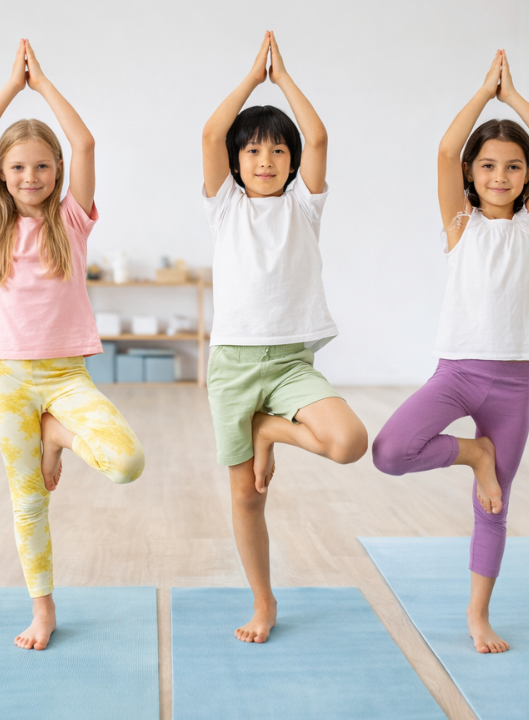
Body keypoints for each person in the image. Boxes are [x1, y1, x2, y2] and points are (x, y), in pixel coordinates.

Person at [371, 50, 529, 653]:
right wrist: (485, 94)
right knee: (389, 451)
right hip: (457, 373)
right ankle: (473, 454)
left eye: (513, 167)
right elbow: (443, 152)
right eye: (487, 166)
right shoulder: (461, 224)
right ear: (472, 174)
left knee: (495, 507)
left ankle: (478, 615)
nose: (500, 177)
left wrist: (515, 101)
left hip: (513, 387)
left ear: (527, 176)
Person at [0, 39, 146, 651]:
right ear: (1, 175)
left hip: (65, 376)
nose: (30, 177)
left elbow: (86, 142)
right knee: (27, 502)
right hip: (9, 379)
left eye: (42, 166)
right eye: (17, 167)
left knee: (125, 462)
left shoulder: (72, 221)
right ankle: (42, 609)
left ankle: (58, 434)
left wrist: (45, 87)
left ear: (58, 172)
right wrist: (12, 87)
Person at [201, 31, 368, 644]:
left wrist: (283, 77)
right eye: (252, 152)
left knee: (349, 442)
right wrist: (251, 79)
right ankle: (263, 601)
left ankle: (270, 428)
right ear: (236, 161)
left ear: (292, 161)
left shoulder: (305, 207)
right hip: (235, 366)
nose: (265, 161)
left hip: (292, 364)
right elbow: (208, 137)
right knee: (247, 499)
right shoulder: (226, 207)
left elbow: (319, 135)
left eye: (277, 151)